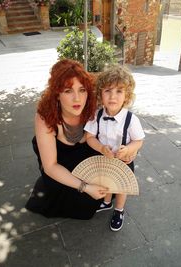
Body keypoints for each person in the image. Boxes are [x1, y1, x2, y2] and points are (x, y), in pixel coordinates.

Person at [25, 59, 109, 220]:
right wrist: (86, 187)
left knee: (100, 192)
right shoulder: (45, 115)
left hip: (85, 159)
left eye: (82, 90)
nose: (77, 98)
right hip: (59, 160)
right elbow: (51, 166)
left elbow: (119, 129)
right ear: (57, 94)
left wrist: (130, 150)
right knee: (72, 197)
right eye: (68, 91)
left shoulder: (94, 107)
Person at [84, 65, 145, 231]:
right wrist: (101, 147)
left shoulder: (131, 119)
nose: (113, 96)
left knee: (121, 186)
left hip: (123, 161)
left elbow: (139, 141)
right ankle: (106, 202)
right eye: (108, 91)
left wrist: (129, 150)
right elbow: (89, 137)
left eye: (119, 91)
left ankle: (119, 209)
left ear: (127, 96)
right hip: (104, 159)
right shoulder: (96, 115)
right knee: (105, 182)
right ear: (100, 94)